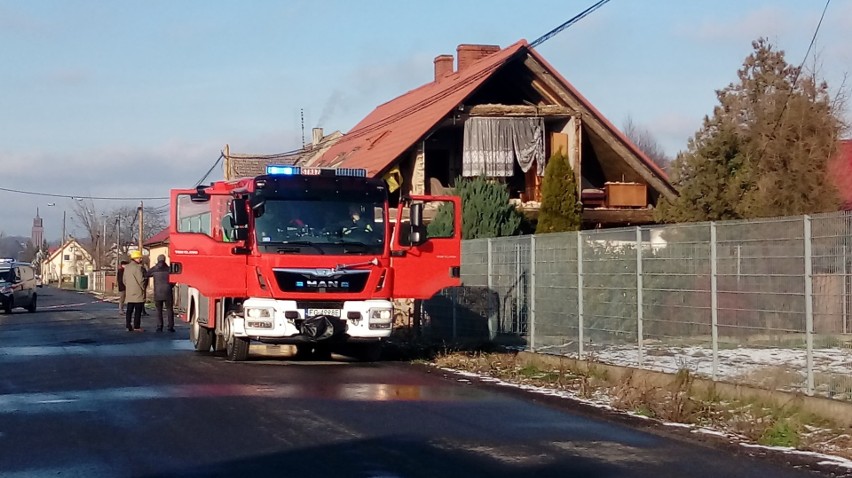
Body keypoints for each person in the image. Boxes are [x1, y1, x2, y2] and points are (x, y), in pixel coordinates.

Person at [146, 254, 175, 332]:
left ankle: (159, 326)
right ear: (165, 260)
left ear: (158, 260)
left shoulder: (155, 269)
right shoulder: (169, 269)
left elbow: (147, 274)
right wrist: (170, 286)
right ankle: (170, 326)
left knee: (159, 310)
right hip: (168, 292)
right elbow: (174, 280)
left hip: (158, 292)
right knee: (169, 309)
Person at [123, 250, 147, 332]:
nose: (141, 259)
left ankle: (128, 325)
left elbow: (124, 280)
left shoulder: (127, 267)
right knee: (138, 311)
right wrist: (143, 288)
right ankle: (136, 326)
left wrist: (129, 286)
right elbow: (141, 280)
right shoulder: (138, 267)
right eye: (140, 258)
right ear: (136, 258)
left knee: (129, 310)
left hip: (129, 291)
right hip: (138, 292)